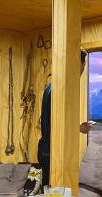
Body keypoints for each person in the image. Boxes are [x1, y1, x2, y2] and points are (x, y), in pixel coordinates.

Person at [38, 49, 91, 186]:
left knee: (49, 192)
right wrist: (79, 128)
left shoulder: (52, 85)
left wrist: (77, 127)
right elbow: (58, 124)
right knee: (57, 194)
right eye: (82, 64)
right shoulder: (62, 88)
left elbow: (55, 119)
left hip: (46, 149)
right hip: (55, 151)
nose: (83, 69)